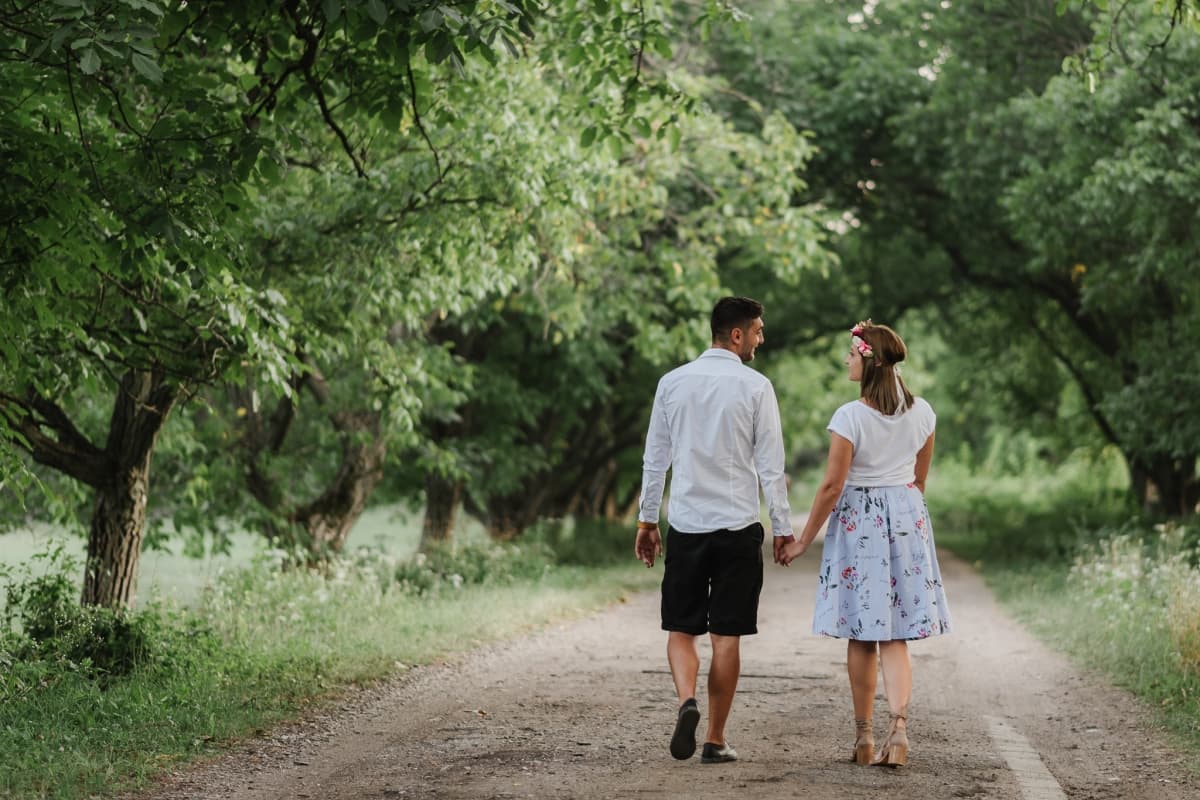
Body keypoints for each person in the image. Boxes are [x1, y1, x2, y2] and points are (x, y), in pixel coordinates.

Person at [780, 319, 951, 768]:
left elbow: (832, 486)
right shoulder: (925, 413)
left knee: (861, 633)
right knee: (895, 635)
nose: (846, 360)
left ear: (868, 360)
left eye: (852, 354)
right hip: (907, 518)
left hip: (861, 521)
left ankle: (864, 738)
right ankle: (899, 729)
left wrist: (801, 541)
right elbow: (918, 480)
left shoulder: (850, 417)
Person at [634, 296, 794, 765]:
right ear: (737, 335)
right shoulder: (757, 387)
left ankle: (687, 701)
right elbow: (771, 467)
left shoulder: (672, 383)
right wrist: (782, 528)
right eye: (758, 331)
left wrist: (647, 520)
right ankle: (715, 740)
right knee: (727, 637)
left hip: (686, 526)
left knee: (681, 630)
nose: (762, 339)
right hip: (738, 527)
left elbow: (654, 459)